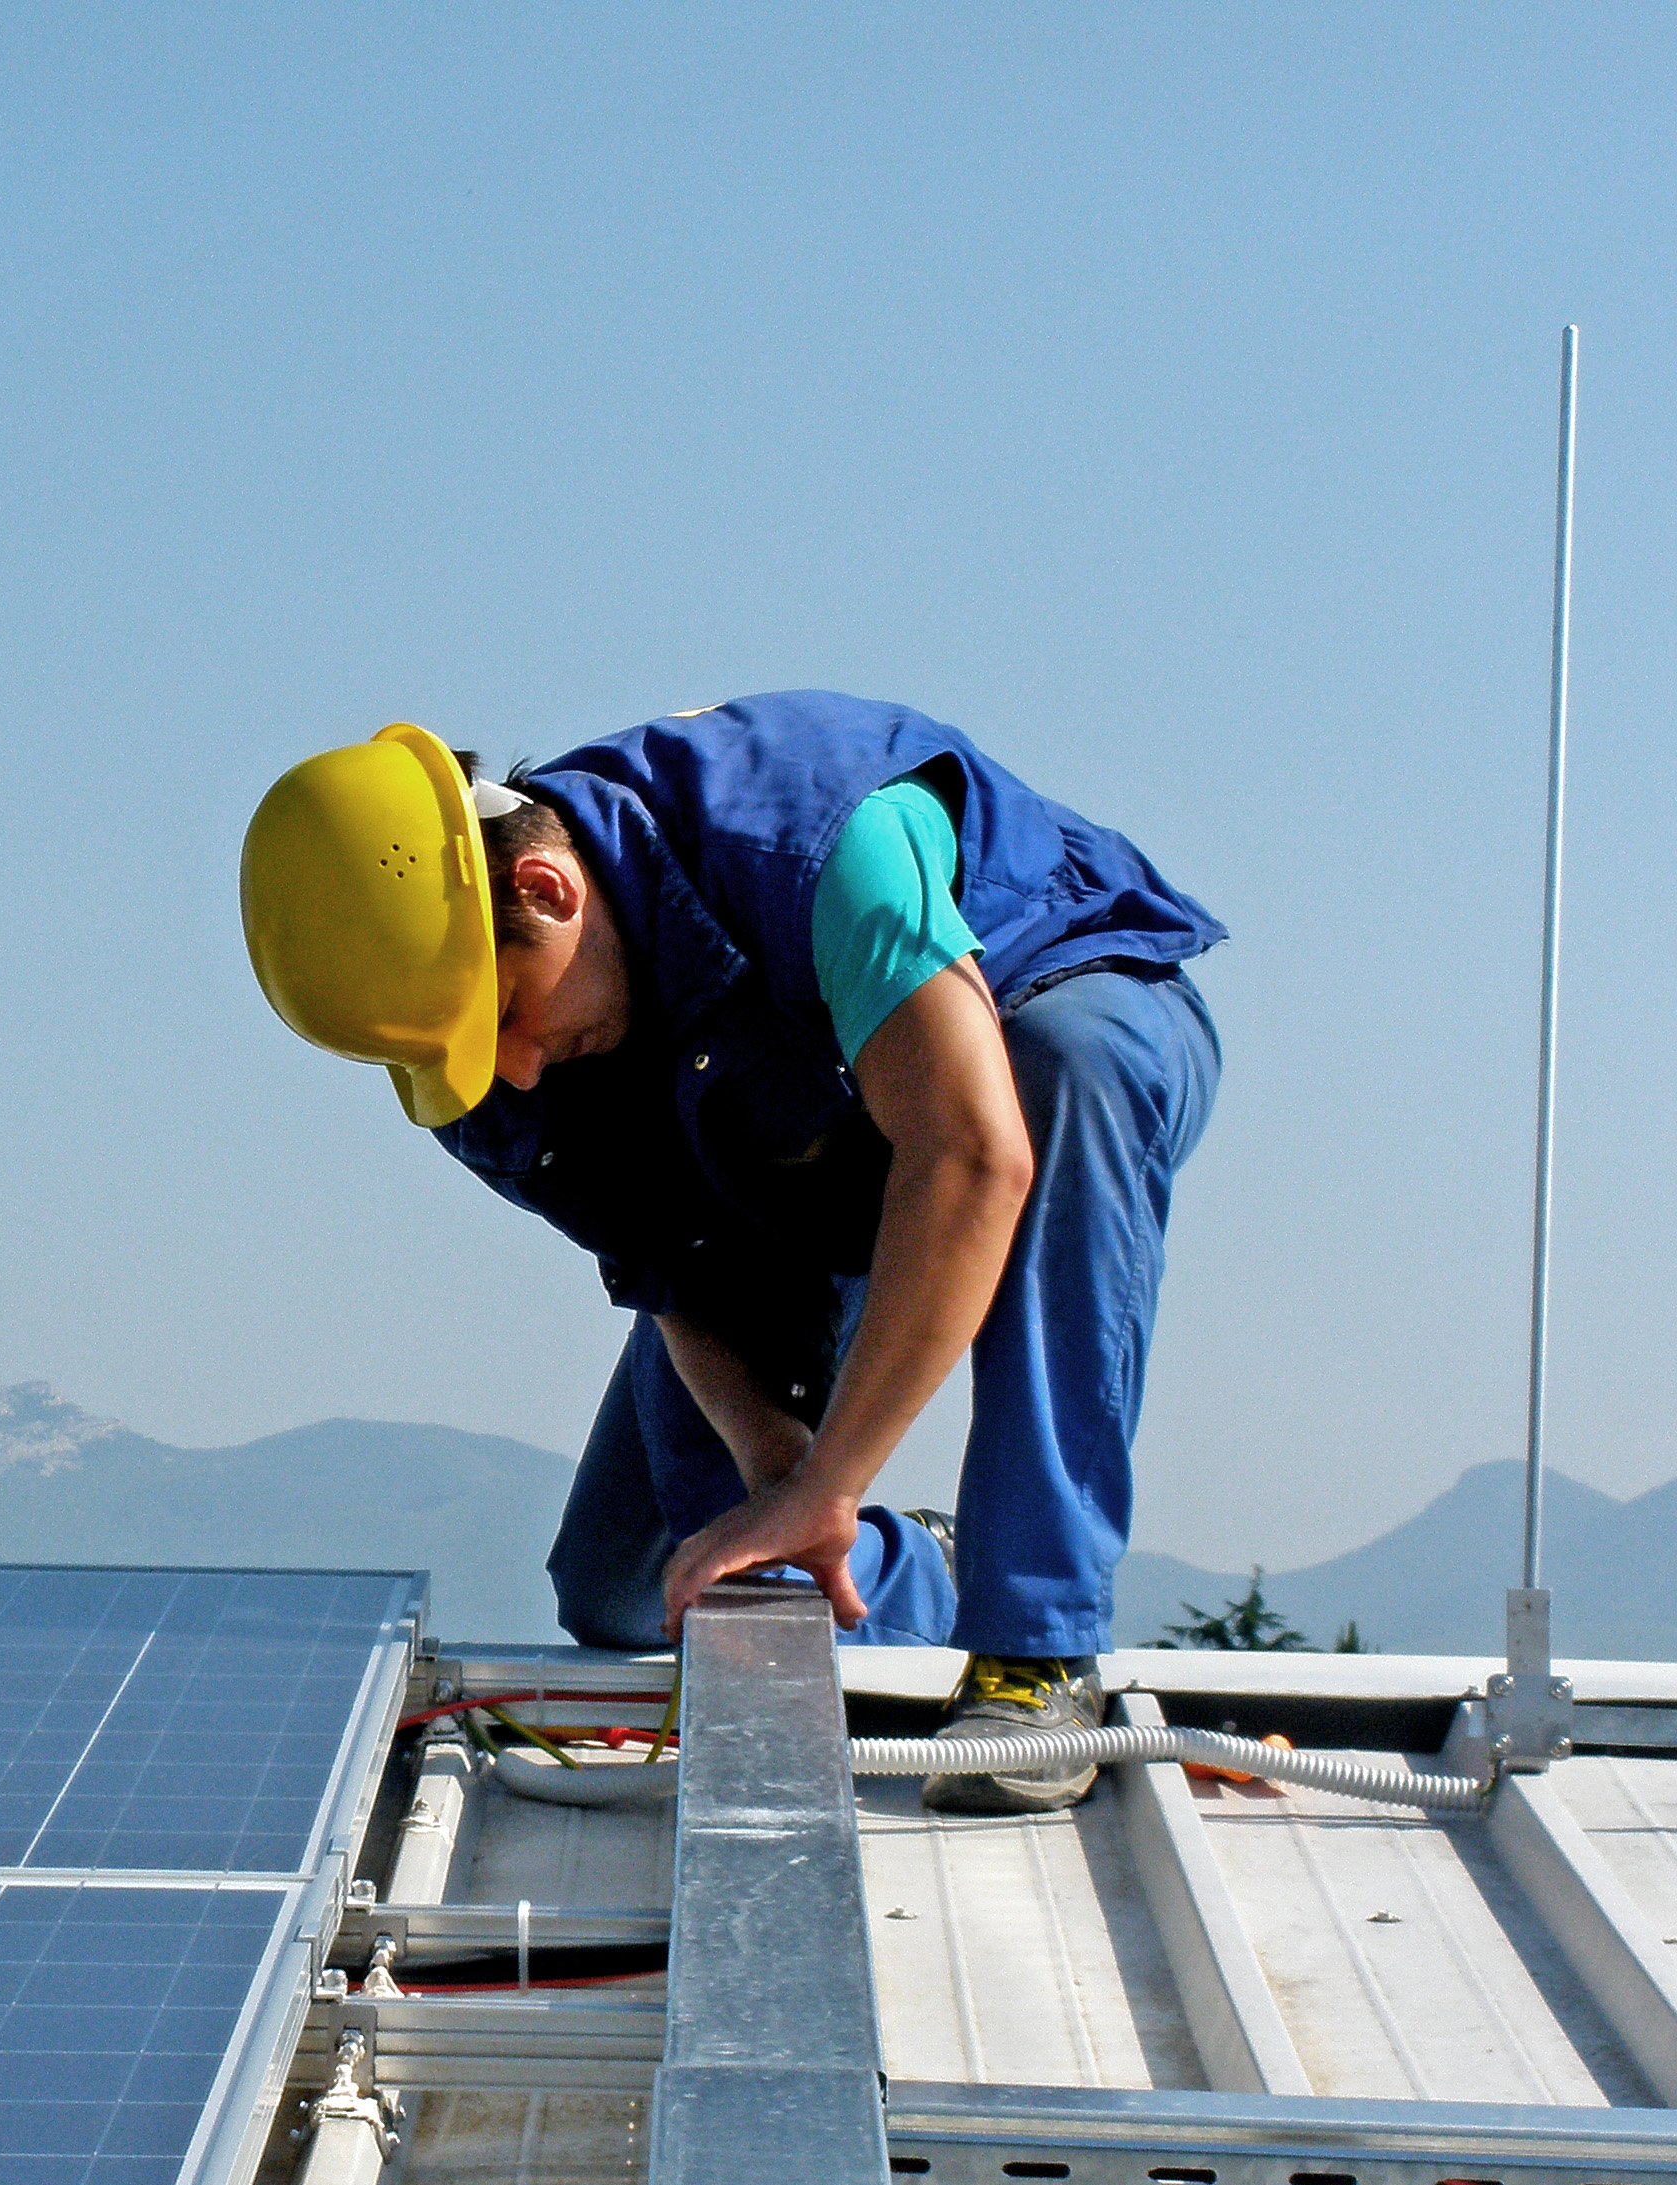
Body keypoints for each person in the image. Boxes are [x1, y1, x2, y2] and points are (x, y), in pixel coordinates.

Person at [237, 693, 1223, 1809]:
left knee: (1066, 1070)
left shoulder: (807, 843)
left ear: (548, 892)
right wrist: (780, 1475)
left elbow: (970, 1158)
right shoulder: (493, 1075)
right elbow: (677, 1275)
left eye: (503, 1013)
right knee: (636, 1592)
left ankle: (1034, 1642)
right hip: (795, 1155)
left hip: (1025, 1029)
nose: (514, 1069)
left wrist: (834, 1478)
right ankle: (921, 1571)